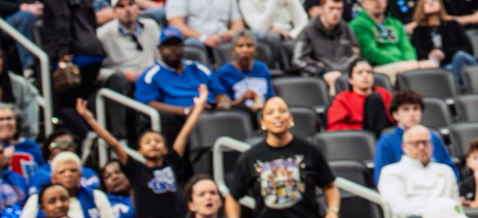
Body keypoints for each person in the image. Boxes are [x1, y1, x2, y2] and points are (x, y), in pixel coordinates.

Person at [77, 91, 206, 218]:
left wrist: (199, 107)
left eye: (158, 141)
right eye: (147, 142)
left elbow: (183, 134)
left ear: (165, 149)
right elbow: (114, 144)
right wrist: (90, 119)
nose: (153, 144)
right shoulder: (136, 169)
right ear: (139, 150)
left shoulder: (171, 162)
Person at [223, 97, 339, 218]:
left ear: (290, 118)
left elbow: (329, 186)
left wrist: (332, 212)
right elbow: (232, 197)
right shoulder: (250, 157)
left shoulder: (309, 150)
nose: (277, 115)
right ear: (262, 122)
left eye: (282, 111)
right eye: (270, 112)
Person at [376, 125, 460, 218]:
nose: (421, 147)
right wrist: (439, 210)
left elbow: (456, 204)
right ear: (404, 147)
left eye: (425, 142)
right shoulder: (391, 172)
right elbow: (399, 208)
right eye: (416, 143)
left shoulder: (446, 170)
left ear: (431, 145)